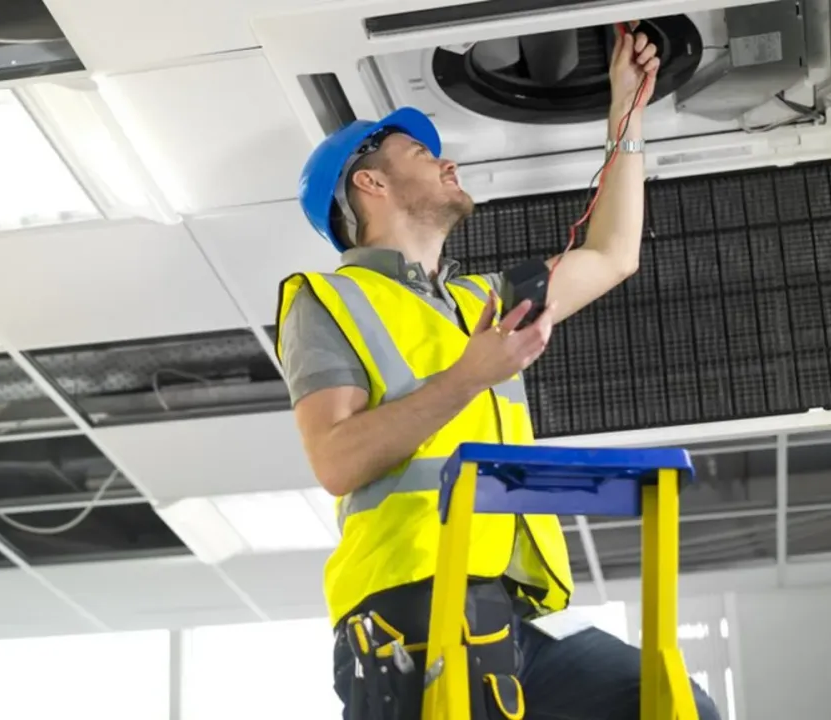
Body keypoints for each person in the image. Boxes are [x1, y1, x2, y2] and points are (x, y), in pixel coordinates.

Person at [275, 29, 722, 720]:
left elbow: (611, 256)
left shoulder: (480, 302)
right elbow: (336, 460)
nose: (447, 161)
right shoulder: (326, 299)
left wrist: (626, 112)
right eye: (423, 153)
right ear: (372, 182)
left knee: (667, 703)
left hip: (510, 605)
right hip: (411, 598)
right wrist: (467, 376)